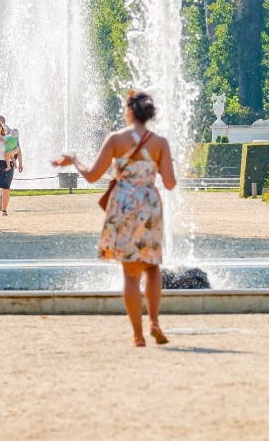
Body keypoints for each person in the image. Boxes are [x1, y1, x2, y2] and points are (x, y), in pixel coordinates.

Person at [52, 90, 177, 347]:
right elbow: (170, 183)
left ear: (129, 111)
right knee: (152, 266)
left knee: (130, 273)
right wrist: (154, 169)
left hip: (123, 205)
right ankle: (154, 321)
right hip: (149, 206)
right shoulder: (160, 143)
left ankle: (138, 335)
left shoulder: (116, 139)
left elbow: (91, 176)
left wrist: (74, 159)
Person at [0, 116, 21, 216]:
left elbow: (17, 149)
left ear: (1, 128)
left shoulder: (6, 139)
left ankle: (4, 210)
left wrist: (13, 153)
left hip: (7, 164)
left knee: (6, 188)